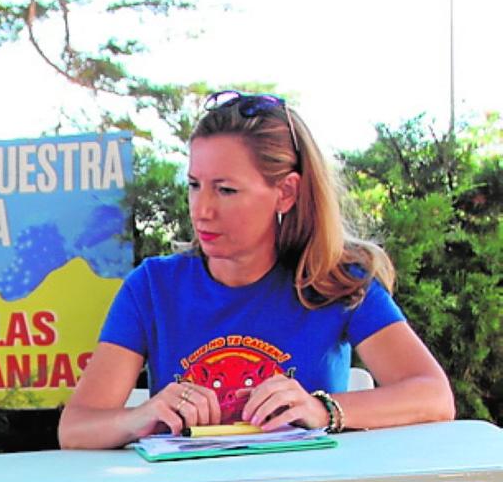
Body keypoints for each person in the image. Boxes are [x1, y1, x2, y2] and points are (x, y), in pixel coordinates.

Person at [58, 91, 454, 450]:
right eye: (195, 185)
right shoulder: (152, 287)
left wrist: (324, 410)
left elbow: (433, 395)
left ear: (286, 193)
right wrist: (139, 418)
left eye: (226, 190)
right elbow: (76, 427)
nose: (201, 210)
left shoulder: (335, 279)